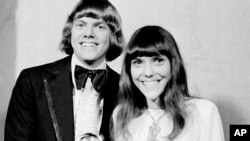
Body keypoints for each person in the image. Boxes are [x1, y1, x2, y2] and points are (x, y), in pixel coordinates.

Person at [5, 0, 125, 141]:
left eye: (99, 26)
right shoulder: (32, 81)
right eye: (81, 25)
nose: (88, 33)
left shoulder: (126, 88)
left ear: (112, 35)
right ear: (70, 31)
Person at [110, 25, 224, 141]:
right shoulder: (121, 115)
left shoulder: (203, 112)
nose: (148, 72)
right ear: (129, 70)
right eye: (138, 62)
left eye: (158, 61)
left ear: (173, 66)